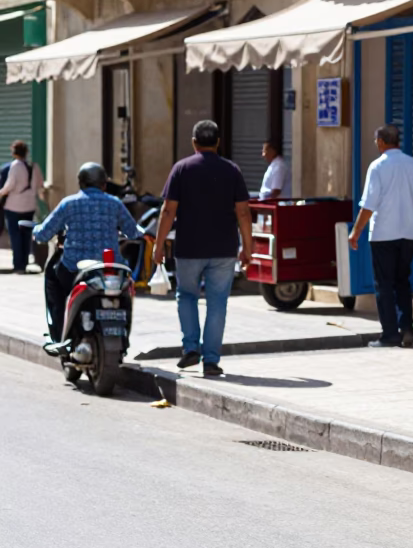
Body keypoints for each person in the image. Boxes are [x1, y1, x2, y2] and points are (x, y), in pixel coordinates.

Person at [152, 120, 253, 377]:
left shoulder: (181, 169)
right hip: (224, 249)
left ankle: (190, 348)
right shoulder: (232, 170)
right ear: (218, 142)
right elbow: (243, 212)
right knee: (217, 302)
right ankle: (211, 360)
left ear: (194, 142)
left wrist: (159, 244)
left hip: (189, 247)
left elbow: (168, 210)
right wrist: (248, 247)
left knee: (186, 296)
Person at [33, 163, 142, 346]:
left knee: (52, 277)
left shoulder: (69, 203)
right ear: (104, 184)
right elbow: (133, 232)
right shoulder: (115, 203)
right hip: (110, 269)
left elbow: (44, 233)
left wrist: (36, 231)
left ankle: (59, 335)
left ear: (80, 183)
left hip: (75, 270)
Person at [348, 124, 413, 348]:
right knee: (402, 282)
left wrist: (356, 231)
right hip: (408, 234)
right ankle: (407, 329)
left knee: (384, 285)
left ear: (381, 142)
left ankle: (390, 334)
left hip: (383, 234)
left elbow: (368, 205)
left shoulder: (377, 167)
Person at [0, 141, 46, 273]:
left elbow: (9, 185)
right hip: (29, 205)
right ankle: (24, 262)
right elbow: (40, 185)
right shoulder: (34, 166)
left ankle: (18, 265)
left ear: (14, 152)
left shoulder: (15, 166)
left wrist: (1, 193)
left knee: (15, 235)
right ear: (26, 152)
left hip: (14, 206)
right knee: (26, 234)